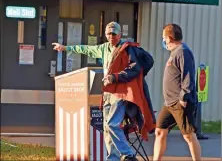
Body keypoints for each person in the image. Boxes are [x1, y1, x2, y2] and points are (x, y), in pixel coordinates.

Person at [52, 21, 156, 161]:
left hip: (121, 92)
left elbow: (135, 67)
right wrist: (65, 48)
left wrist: (115, 77)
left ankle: (128, 154)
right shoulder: (103, 48)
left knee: (112, 124)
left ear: (120, 34)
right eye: (109, 34)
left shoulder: (127, 49)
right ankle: (113, 157)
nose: (111, 36)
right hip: (108, 92)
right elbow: (86, 49)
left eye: (114, 33)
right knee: (107, 127)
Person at [153, 23, 201, 161]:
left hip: (180, 102)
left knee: (188, 135)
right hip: (169, 103)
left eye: (163, 38)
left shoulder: (182, 51)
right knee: (160, 131)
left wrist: (183, 97)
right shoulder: (174, 53)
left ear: (169, 38)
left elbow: (188, 76)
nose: (163, 41)